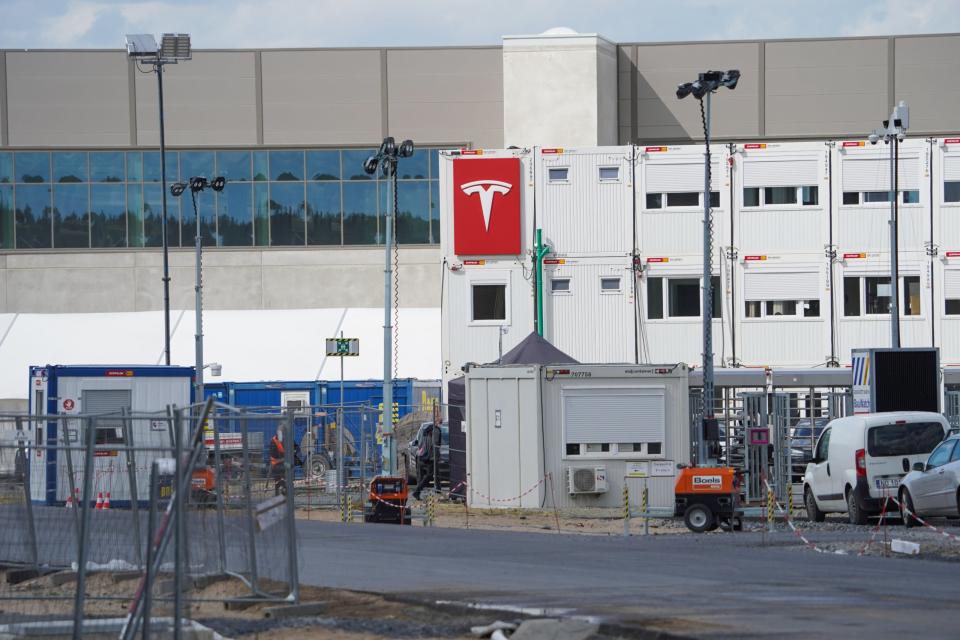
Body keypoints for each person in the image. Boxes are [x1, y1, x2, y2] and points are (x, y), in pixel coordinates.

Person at [412, 422, 441, 500]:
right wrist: (435, 455)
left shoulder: (426, 430)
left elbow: (421, 443)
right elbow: (435, 444)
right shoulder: (436, 430)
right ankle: (417, 492)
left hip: (424, 456)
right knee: (429, 475)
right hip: (431, 457)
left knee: (435, 474)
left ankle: (438, 491)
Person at [269, 426, 286, 496]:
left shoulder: (281, 440)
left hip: (281, 463)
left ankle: (283, 494)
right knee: (279, 480)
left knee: (282, 479)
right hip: (276, 464)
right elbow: (274, 454)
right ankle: (279, 494)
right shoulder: (274, 441)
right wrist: (283, 456)